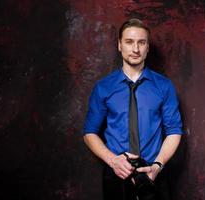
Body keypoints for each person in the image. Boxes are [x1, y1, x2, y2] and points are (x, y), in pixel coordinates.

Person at [83, 18, 184, 200]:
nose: (135, 49)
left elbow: (174, 131)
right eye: (129, 42)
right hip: (117, 172)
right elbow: (89, 133)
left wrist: (157, 166)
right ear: (120, 45)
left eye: (141, 42)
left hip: (153, 172)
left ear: (147, 47)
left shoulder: (164, 86)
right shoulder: (103, 87)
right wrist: (113, 161)